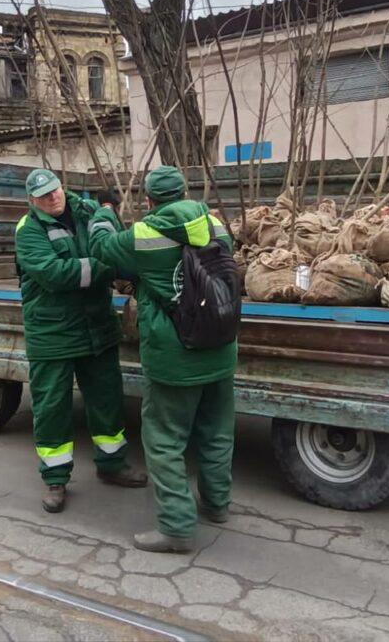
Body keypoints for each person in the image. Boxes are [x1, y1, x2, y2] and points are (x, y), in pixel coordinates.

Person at [88, 165, 237, 553]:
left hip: (176, 356)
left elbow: (102, 250)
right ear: (185, 192)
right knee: (217, 431)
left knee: (164, 440)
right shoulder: (218, 226)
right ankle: (217, 506)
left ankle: (176, 529)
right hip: (221, 347)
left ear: (149, 200)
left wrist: (104, 212)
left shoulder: (144, 234)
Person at [15, 168, 147, 513]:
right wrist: (106, 269)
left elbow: (118, 245)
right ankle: (55, 478)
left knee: (107, 399)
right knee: (52, 408)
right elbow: (56, 275)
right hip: (52, 333)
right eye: (44, 195)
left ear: (63, 187)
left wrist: (112, 252)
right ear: (33, 201)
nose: (52, 197)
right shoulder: (28, 231)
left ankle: (112, 465)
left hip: (97, 328)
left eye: (55, 190)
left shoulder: (90, 212)